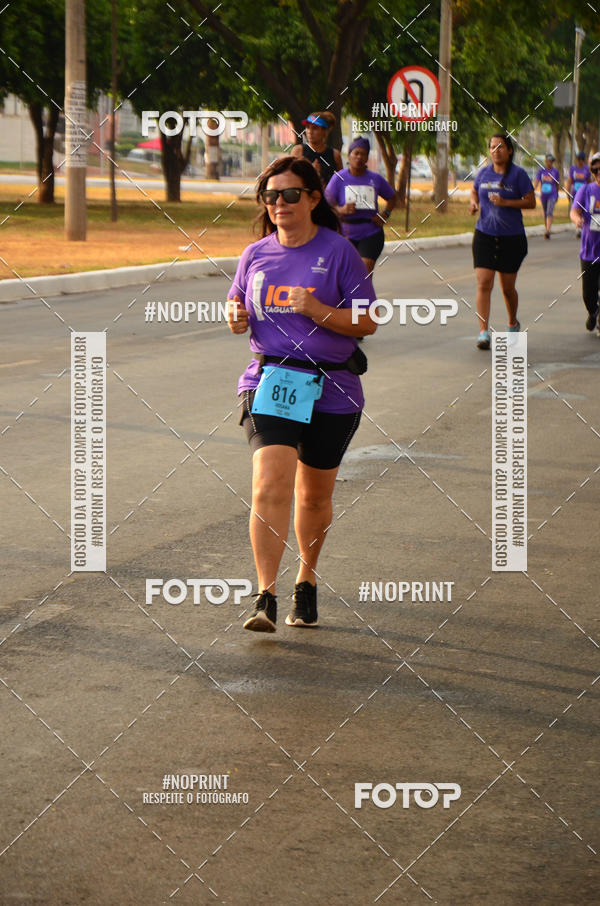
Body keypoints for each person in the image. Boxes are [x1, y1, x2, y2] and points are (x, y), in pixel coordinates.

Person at [226, 156, 377, 633]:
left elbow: (367, 322)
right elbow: (237, 303)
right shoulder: (255, 255)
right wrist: (235, 316)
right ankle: (264, 596)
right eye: (271, 196)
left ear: (313, 198)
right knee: (270, 484)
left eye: (290, 194)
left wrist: (318, 309)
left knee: (312, 498)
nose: (279, 204)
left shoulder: (339, 253)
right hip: (270, 381)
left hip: (332, 386)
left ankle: (306, 581)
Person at [469, 134, 536, 350]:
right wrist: (473, 203)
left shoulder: (518, 175)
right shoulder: (483, 173)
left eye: (500, 147)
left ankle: (512, 323)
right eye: (492, 147)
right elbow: (474, 190)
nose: (495, 150)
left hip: (511, 238)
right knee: (484, 282)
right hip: (485, 235)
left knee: (507, 288)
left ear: (509, 150)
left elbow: (531, 201)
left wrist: (506, 202)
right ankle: (483, 332)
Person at [324, 137, 397, 277]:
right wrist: (341, 210)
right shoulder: (339, 178)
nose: (359, 157)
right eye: (356, 153)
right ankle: (347, 298)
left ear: (367, 157)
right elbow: (327, 204)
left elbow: (392, 197)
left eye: (363, 154)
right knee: (345, 275)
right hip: (345, 233)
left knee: (364, 273)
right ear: (349, 155)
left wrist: (385, 214)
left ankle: (364, 298)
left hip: (370, 232)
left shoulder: (375, 178)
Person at [570, 151, 600, 336]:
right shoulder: (586, 190)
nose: (599, 173)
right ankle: (593, 311)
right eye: (596, 170)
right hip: (589, 252)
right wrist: (577, 220)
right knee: (588, 294)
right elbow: (574, 211)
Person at [291, 111, 342, 188]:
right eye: (307, 127)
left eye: (315, 128)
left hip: (328, 199)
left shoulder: (335, 155)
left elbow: (340, 182)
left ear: (324, 131)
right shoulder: (298, 151)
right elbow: (290, 177)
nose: (310, 132)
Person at [533, 153, 560, 239]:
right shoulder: (541, 171)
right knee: (545, 213)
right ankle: (547, 228)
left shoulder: (555, 171)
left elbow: (557, 184)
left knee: (549, 212)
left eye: (552, 161)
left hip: (552, 194)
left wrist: (557, 194)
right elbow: (537, 181)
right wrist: (532, 190)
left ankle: (548, 231)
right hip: (544, 195)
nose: (550, 163)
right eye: (549, 161)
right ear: (546, 161)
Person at [567, 151, 592, 238]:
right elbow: (570, 180)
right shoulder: (573, 169)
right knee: (576, 211)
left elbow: (589, 181)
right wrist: (567, 191)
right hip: (575, 193)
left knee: (584, 210)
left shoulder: (587, 169)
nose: (580, 161)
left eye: (582, 159)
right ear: (576, 159)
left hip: (585, 194)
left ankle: (581, 228)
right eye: (578, 159)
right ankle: (578, 228)